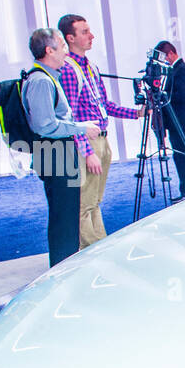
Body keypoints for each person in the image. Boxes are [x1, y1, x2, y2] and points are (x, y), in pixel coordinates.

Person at [56, 13, 144, 246]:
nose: (91, 35)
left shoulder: (91, 67)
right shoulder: (68, 69)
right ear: (70, 38)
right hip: (88, 143)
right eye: (84, 32)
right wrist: (87, 151)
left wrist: (135, 114)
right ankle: (93, 249)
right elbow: (71, 116)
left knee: (94, 200)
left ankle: (97, 245)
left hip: (102, 140)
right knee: (85, 202)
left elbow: (104, 105)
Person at [22, 27, 100, 266]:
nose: (66, 51)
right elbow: (45, 125)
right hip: (54, 153)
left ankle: (65, 265)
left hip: (57, 153)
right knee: (63, 218)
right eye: (62, 46)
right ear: (49, 50)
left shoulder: (45, 78)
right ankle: (62, 268)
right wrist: (80, 128)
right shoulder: (40, 81)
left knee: (66, 216)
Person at [156, 39, 185, 199]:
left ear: (171, 53)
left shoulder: (182, 70)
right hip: (176, 124)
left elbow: (183, 96)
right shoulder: (174, 70)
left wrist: (163, 97)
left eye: (163, 57)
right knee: (179, 158)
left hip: (182, 123)